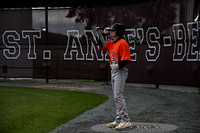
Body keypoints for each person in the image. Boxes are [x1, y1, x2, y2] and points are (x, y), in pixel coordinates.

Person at [96, 23, 132, 130]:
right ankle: (118, 119)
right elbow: (100, 43)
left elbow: (126, 60)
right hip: (114, 71)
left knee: (118, 96)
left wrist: (117, 65)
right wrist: (101, 33)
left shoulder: (123, 43)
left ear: (119, 32)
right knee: (116, 97)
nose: (111, 32)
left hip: (120, 70)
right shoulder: (112, 43)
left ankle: (126, 120)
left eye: (113, 30)